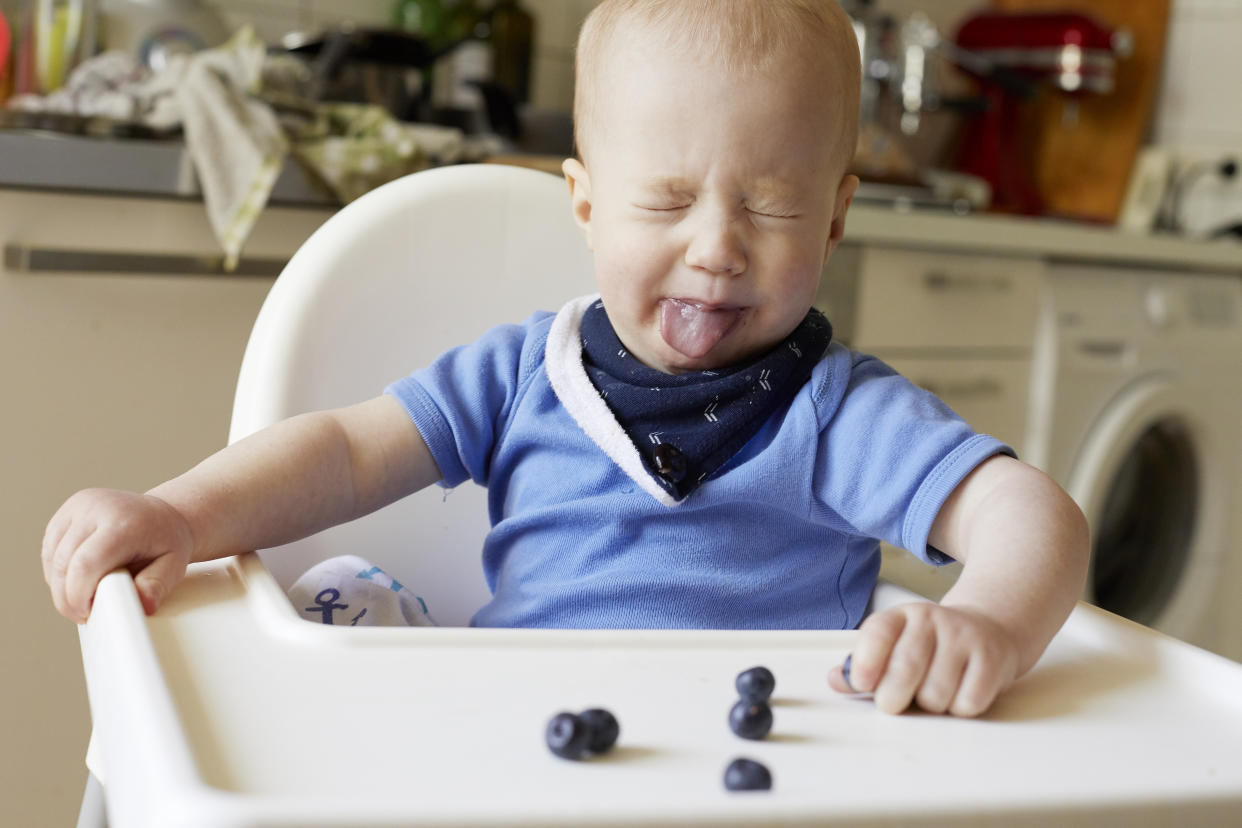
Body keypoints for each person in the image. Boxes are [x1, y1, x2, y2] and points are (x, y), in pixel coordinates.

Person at [41, 0, 1088, 718]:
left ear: (835, 221)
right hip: (516, 746)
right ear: (584, 206)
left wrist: (987, 624)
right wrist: (180, 515)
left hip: (762, 765)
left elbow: (1027, 512)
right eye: (666, 201)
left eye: (772, 205)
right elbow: (343, 454)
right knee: (335, 590)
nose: (717, 246)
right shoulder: (521, 377)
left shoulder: (839, 413)